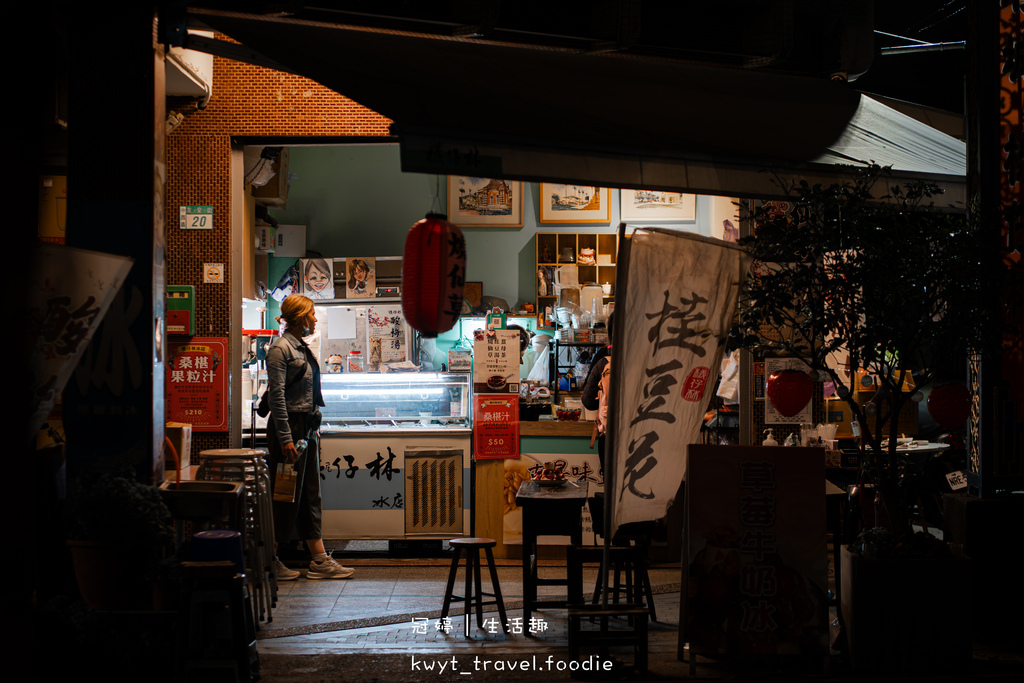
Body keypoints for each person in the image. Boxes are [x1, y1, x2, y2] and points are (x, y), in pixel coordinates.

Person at [266, 294, 355, 580]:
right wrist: (285, 439)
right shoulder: (281, 349)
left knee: (309, 495)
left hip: (304, 429)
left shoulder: (300, 347)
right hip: (289, 431)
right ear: (301, 316)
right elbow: (277, 397)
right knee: (284, 494)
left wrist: (311, 427)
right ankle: (269, 559)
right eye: (313, 314)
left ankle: (318, 559)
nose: (316, 319)